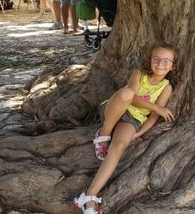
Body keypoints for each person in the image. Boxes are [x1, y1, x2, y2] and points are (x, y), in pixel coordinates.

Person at [74, 44, 179, 214]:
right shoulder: (139, 73)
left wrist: (138, 133)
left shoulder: (166, 87)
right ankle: (104, 134)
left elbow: (152, 117)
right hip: (115, 108)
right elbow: (131, 98)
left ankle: (89, 196)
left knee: (119, 146)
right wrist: (158, 108)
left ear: (173, 65)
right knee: (127, 94)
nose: (161, 63)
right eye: (156, 59)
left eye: (167, 60)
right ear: (150, 60)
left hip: (134, 120)